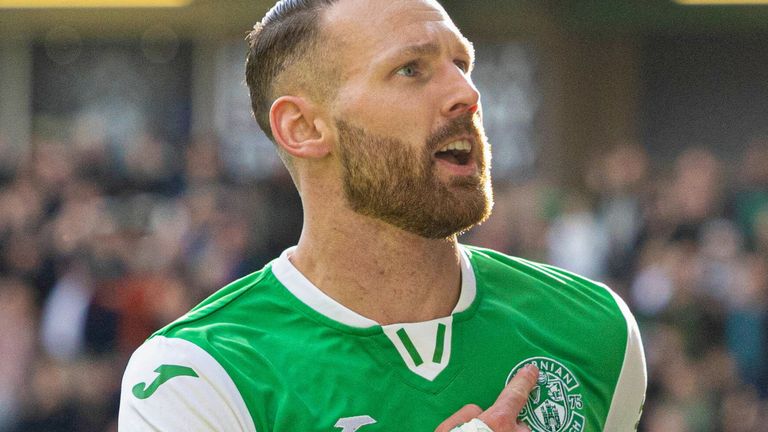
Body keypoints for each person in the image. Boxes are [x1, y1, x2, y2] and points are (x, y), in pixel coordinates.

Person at [118, 0, 647, 430]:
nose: (467, 93)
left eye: (461, 65)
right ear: (302, 127)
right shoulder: (198, 373)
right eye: (411, 70)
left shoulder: (596, 328)